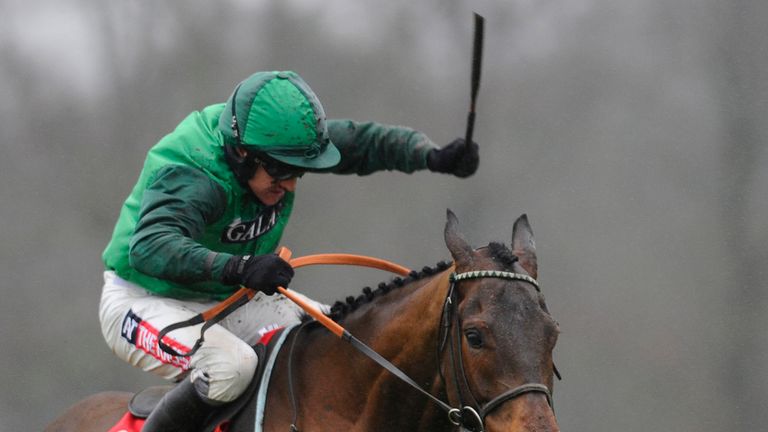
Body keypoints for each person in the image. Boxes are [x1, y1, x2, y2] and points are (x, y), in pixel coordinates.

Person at [98, 70, 478, 432]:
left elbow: (361, 143)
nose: (291, 185)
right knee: (231, 367)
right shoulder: (195, 175)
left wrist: (429, 155)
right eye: (281, 172)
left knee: (332, 348)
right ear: (243, 154)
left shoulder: (273, 140)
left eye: (298, 172)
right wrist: (240, 267)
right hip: (144, 301)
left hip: (229, 296)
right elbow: (149, 247)